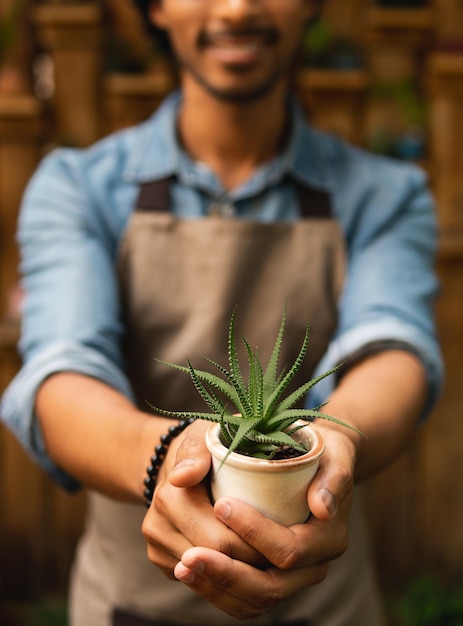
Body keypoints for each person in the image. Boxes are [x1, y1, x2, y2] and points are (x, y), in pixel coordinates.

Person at [0, 0, 443, 625]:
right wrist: (169, 459)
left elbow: (393, 346)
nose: (236, 9)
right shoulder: (77, 186)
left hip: (326, 605)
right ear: (156, 8)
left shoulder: (385, 193)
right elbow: (62, 369)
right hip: (131, 603)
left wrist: (333, 442)